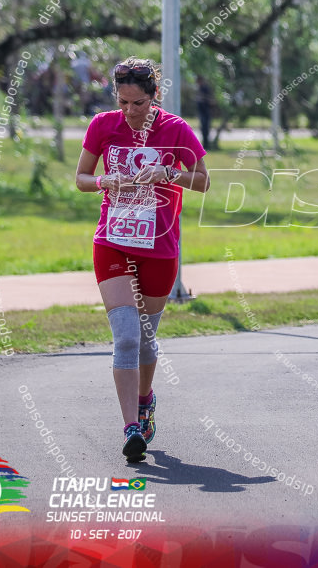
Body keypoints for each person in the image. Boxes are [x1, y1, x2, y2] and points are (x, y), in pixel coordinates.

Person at [74, 57, 210, 461]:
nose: (130, 112)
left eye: (138, 103)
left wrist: (169, 173)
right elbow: (80, 178)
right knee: (127, 336)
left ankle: (146, 398)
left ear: (155, 97)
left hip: (160, 248)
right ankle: (131, 425)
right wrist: (104, 180)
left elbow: (203, 180)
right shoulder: (102, 125)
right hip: (112, 241)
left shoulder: (176, 129)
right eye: (123, 102)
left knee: (146, 340)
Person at [195, 75, 213, 149]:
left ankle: (206, 145)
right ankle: (205, 144)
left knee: (206, 129)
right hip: (202, 112)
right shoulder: (200, 88)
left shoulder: (205, 88)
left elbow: (210, 99)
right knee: (203, 129)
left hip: (206, 112)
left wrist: (202, 98)